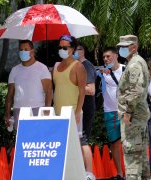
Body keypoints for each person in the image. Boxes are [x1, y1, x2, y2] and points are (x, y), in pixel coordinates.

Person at [52, 35, 93, 179]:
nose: (61, 50)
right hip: (58, 113)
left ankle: (89, 173)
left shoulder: (78, 66)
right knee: (63, 144)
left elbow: (82, 91)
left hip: (73, 112)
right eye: (60, 47)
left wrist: (77, 112)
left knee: (81, 142)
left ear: (72, 49)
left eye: (65, 47)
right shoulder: (56, 66)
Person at [117, 35, 150, 179]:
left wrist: (128, 112)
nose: (121, 49)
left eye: (124, 47)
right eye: (120, 47)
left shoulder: (134, 64)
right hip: (138, 115)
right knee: (140, 154)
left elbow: (136, 90)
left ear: (134, 47)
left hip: (133, 116)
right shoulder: (137, 61)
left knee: (131, 154)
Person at [4, 40, 53, 130]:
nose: (23, 52)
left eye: (26, 49)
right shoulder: (14, 70)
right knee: (21, 140)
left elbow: (49, 92)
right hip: (19, 111)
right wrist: (7, 114)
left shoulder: (42, 68)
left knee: (38, 140)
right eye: (21, 50)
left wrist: (47, 110)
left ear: (32, 51)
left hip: (37, 109)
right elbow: (10, 94)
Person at [97, 47, 125, 180]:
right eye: (104, 57)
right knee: (114, 143)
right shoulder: (101, 72)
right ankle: (119, 173)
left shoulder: (126, 70)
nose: (106, 59)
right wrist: (101, 72)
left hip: (126, 112)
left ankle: (133, 172)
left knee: (130, 143)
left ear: (116, 56)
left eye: (108, 56)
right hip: (110, 112)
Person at [74, 43, 96, 178]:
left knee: (83, 140)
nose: (76, 52)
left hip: (86, 109)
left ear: (84, 52)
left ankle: (88, 172)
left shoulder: (86, 66)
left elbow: (91, 90)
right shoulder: (76, 66)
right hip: (78, 109)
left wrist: (71, 86)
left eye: (79, 49)